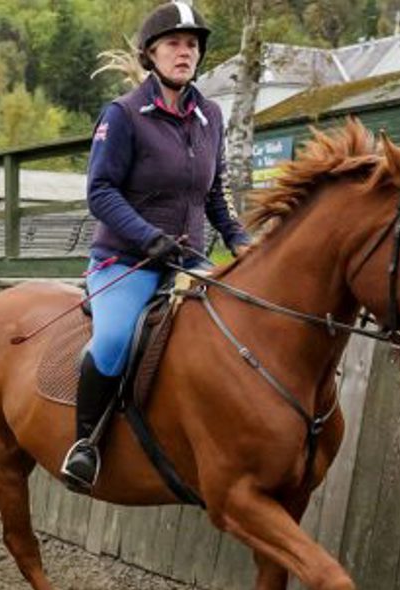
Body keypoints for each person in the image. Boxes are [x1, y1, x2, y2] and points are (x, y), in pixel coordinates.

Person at [60, 1, 254, 494]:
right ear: (151, 53)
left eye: (192, 45)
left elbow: (215, 192)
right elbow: (100, 191)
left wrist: (238, 238)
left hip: (190, 261)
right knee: (112, 341)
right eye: (174, 43)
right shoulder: (123, 115)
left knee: (239, 330)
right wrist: (148, 237)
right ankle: (85, 445)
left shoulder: (210, 116)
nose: (184, 52)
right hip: (127, 261)